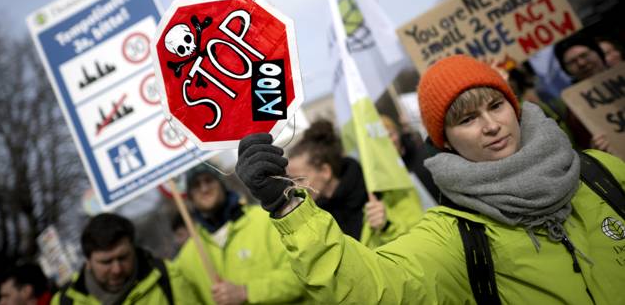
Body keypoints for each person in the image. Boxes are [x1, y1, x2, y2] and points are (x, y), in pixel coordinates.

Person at [236, 54, 625, 304]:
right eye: (467, 119)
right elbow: (372, 288)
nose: (491, 126)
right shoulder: (454, 233)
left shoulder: (601, 172)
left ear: (514, 105)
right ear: (446, 140)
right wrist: (286, 204)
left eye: (496, 105)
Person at [173, 163, 307, 305]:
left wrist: (247, 292)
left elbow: (302, 275)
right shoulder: (186, 259)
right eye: (196, 185)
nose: (204, 189)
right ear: (190, 196)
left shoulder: (266, 221)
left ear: (221, 184)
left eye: (209, 180)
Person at [286, 119, 422, 248]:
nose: (295, 188)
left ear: (325, 171)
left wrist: (386, 226)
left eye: (300, 179)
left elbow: (421, 240)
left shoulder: (383, 188)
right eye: (291, 181)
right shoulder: (317, 217)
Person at [52, 213, 196, 305]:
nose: (117, 269)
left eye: (123, 257)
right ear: (88, 262)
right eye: (106, 262)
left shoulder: (169, 277)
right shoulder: (64, 301)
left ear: (133, 249)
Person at [554, 33, 613, 152]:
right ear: (567, 70)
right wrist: (594, 150)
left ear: (598, 53)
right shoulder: (575, 110)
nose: (581, 63)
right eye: (572, 62)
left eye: (584, 55)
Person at [380, 114, 439, 206]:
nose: (390, 141)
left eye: (390, 135)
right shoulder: (388, 176)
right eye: (383, 140)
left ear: (397, 132)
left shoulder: (423, 152)